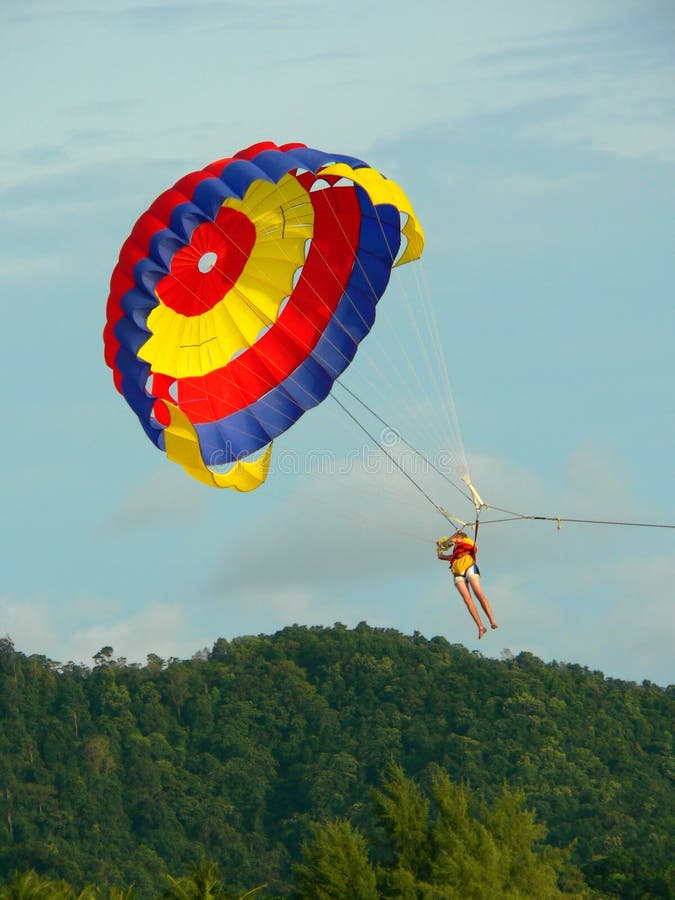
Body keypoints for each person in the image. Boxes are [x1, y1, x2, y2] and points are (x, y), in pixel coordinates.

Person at [437, 531, 498, 639]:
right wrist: (439, 547)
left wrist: (451, 540)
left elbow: (462, 541)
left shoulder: (467, 541)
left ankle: (492, 620)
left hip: (469, 567)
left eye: (456, 538)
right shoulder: (455, 555)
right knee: (467, 599)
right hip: (458, 574)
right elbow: (441, 556)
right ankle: (480, 627)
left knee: (478, 593)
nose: (455, 541)